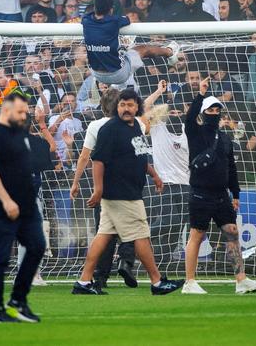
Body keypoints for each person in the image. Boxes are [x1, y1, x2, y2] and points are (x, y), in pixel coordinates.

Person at [72, 89, 184, 295]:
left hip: (129, 191)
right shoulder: (109, 129)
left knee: (103, 235)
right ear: (117, 107)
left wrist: (155, 175)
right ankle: (157, 282)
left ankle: (84, 282)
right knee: (141, 235)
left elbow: (141, 156)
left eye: (130, 105)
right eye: (122, 105)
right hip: (121, 193)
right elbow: (97, 161)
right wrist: (98, 190)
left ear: (137, 107)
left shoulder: (136, 128)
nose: (126, 108)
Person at [182, 76, 256, 295]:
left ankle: (241, 280)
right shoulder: (195, 132)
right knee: (197, 235)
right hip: (200, 193)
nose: (214, 113)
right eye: (210, 110)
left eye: (217, 110)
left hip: (221, 195)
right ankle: (189, 282)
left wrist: (235, 193)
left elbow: (232, 168)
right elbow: (189, 118)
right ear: (203, 112)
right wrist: (201, 93)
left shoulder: (225, 138)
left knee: (232, 232)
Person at [0, 91, 46, 323]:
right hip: (0, 207)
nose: (24, 116)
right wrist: (6, 200)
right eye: (20, 112)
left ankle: (17, 301)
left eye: (25, 112)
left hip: (27, 206)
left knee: (37, 246)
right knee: (1, 256)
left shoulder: (20, 134)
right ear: (6, 109)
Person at [82, 0, 179, 86]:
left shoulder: (86, 20)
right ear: (111, 9)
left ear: (95, 8)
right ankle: (170, 52)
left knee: (122, 52)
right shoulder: (115, 21)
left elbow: (91, 16)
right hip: (118, 74)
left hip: (96, 75)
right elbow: (127, 20)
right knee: (142, 49)